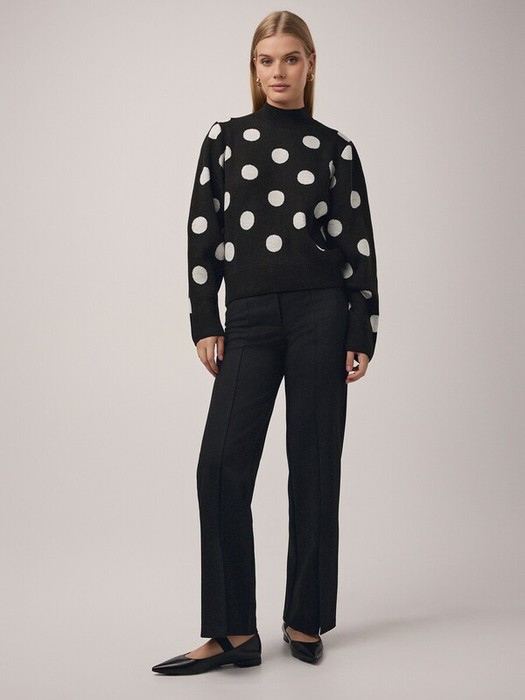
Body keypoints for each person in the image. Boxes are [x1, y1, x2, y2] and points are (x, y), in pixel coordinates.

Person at [152, 9, 379, 676]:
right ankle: (232, 633)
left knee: (314, 466)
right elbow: (203, 231)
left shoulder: (335, 149)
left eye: (290, 58)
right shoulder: (224, 139)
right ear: (253, 69)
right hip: (248, 318)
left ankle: (305, 618)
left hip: (320, 315)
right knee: (220, 466)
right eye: (265, 60)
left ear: (309, 65)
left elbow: (357, 243)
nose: (277, 71)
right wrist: (205, 319)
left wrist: (361, 327)